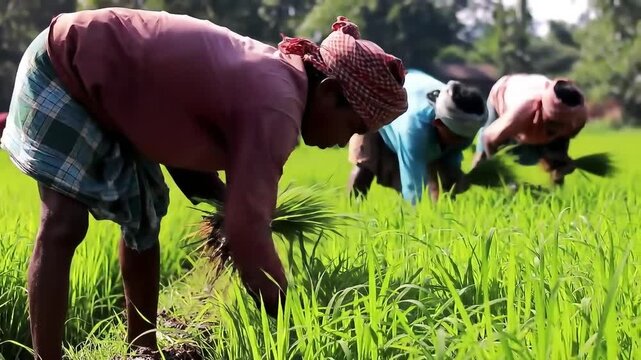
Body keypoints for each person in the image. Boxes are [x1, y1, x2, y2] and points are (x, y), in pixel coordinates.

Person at [0, 8, 408, 359]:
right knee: (64, 223)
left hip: (117, 98)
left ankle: (143, 348)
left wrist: (232, 210)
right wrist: (291, 320)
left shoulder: (278, 84)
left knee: (143, 223)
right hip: (66, 64)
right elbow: (246, 231)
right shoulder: (277, 107)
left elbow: (187, 155)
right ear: (330, 92)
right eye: (351, 127)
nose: (342, 142)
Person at [347, 69, 488, 204]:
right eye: (457, 137)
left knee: (447, 182)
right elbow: (412, 188)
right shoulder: (413, 130)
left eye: (466, 138)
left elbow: (451, 162)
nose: (462, 142)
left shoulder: (463, 127)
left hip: (415, 108)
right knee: (365, 165)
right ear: (438, 123)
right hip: (378, 105)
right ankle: (350, 211)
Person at [473, 74, 588, 185]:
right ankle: (473, 183)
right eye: (552, 123)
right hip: (503, 91)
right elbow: (488, 138)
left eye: (562, 125)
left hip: (533, 90)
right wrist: (504, 178)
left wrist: (562, 164)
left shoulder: (577, 118)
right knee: (484, 156)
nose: (556, 129)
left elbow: (560, 153)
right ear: (543, 111)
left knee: (555, 160)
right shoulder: (522, 113)